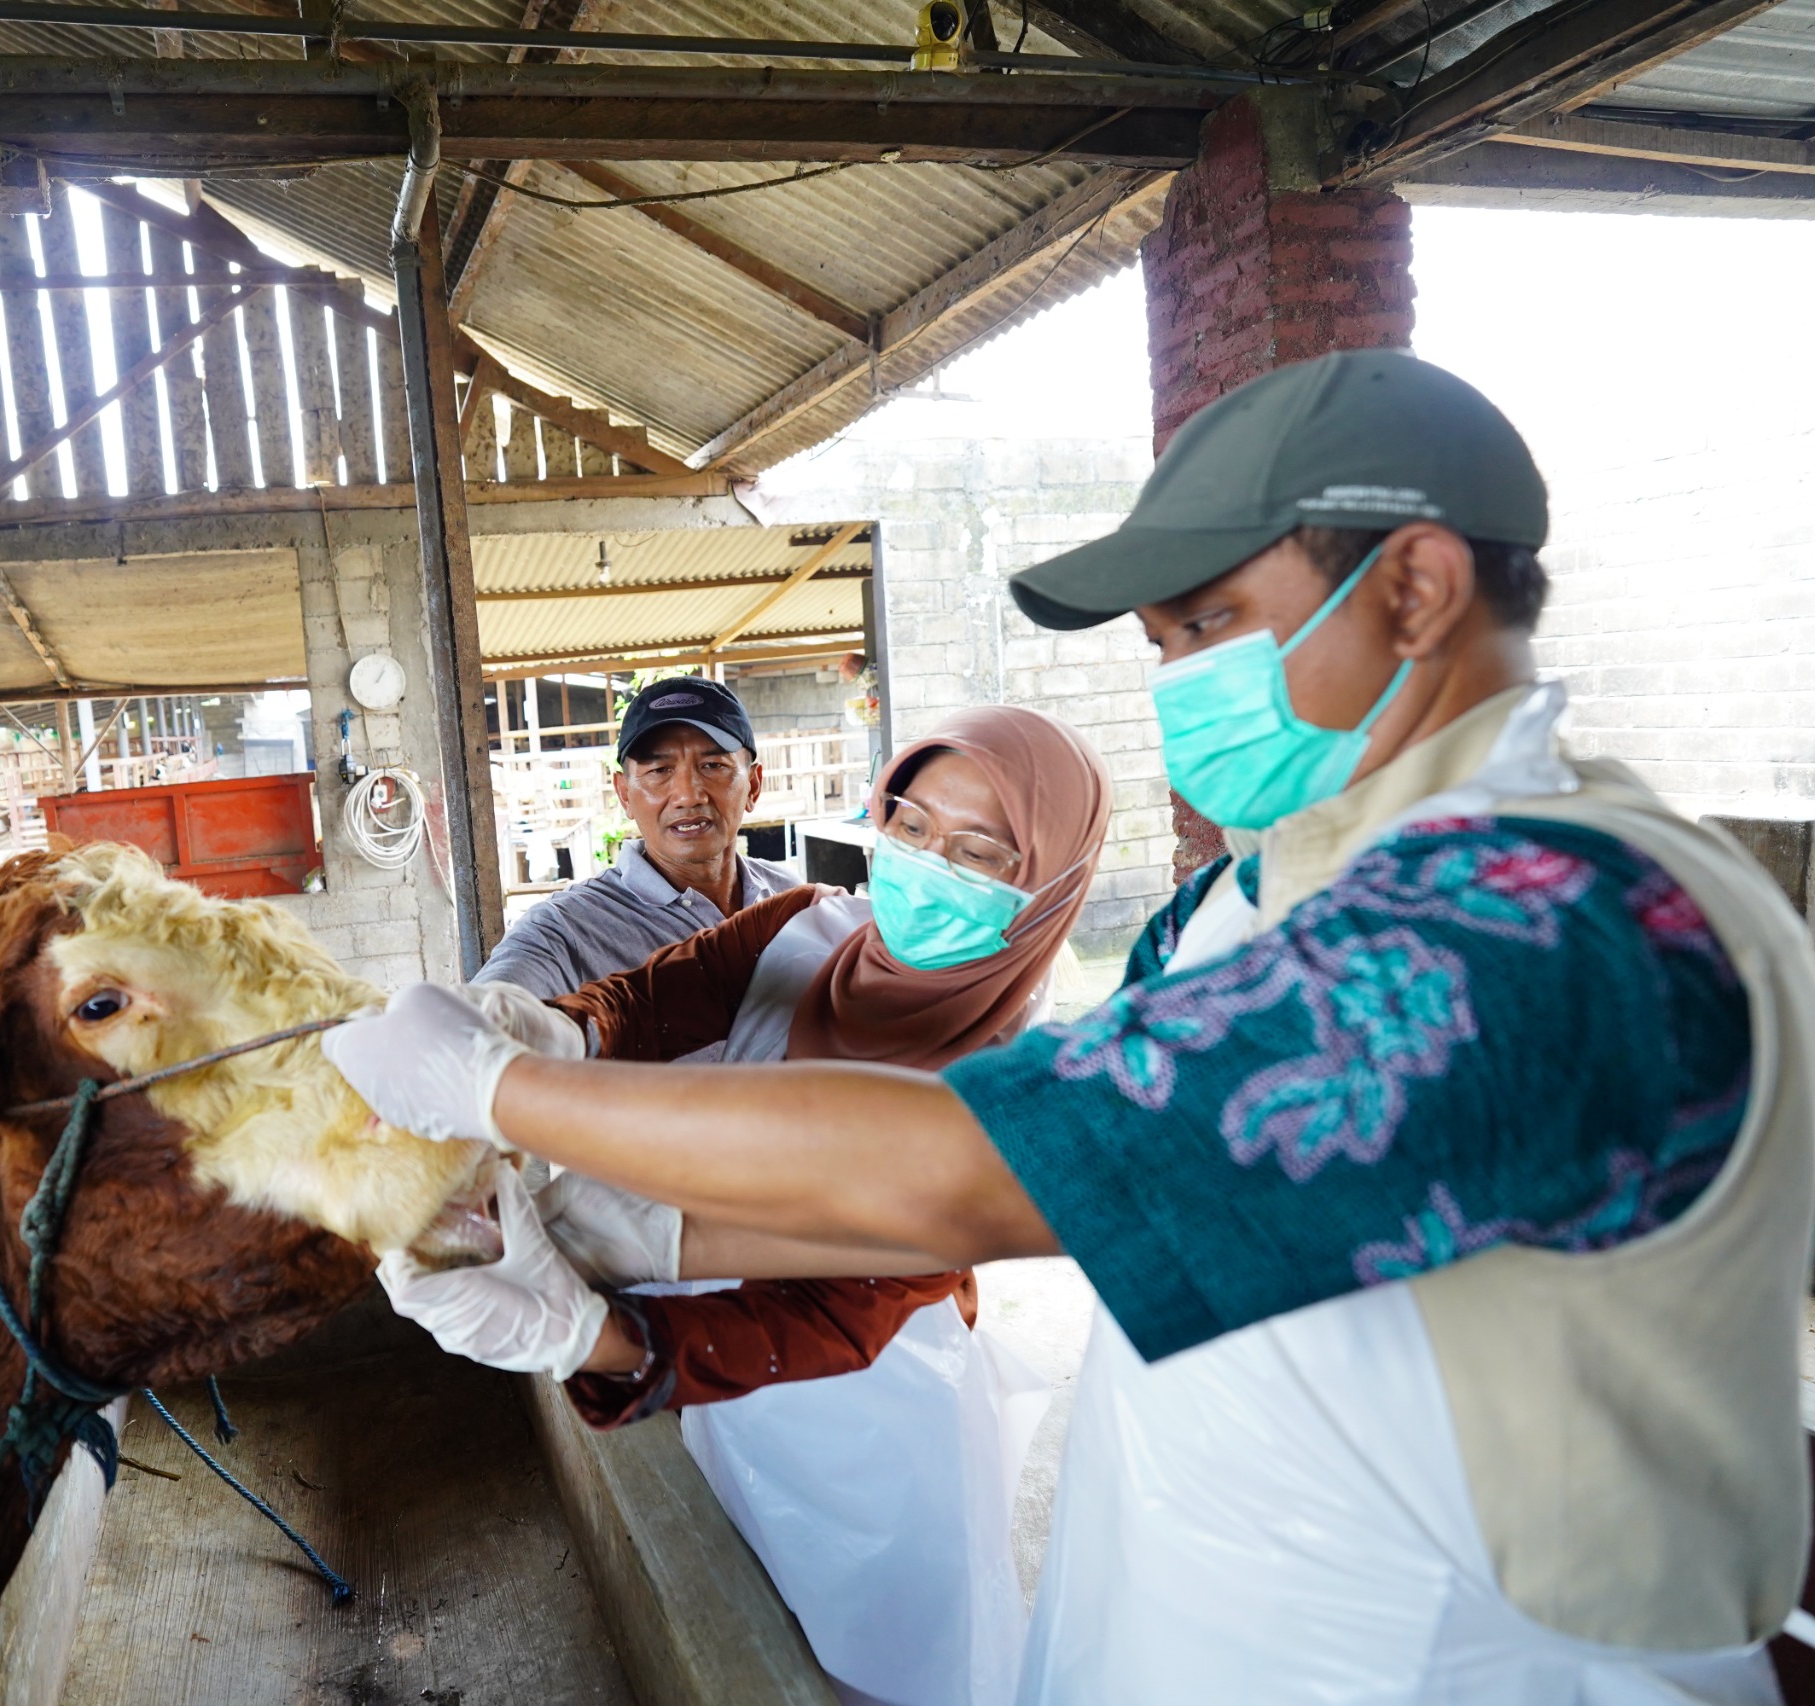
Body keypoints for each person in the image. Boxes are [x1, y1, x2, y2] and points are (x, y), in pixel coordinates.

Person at [329, 350, 1815, 1703]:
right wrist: (603, 1247)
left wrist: (507, 1091)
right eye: (1167, 642)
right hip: (1186, 1602)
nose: (1182, 682)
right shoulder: (1252, 902)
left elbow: (988, 1172)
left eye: (1214, 621)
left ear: (1418, 589)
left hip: (1453, 1658)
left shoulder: (1553, 917)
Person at [398, 707, 1107, 1706]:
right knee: (748, 1618)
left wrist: (595, 1333)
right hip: (730, 1378)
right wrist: (548, 1034)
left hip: (878, 1414)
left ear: (1049, 887)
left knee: (897, 1656)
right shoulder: (806, 923)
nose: (927, 864)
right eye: (910, 826)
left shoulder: (1013, 1091)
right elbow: (649, 998)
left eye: (978, 850)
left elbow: (833, 1313)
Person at [478, 676, 799, 997]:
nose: (688, 796)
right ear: (625, 795)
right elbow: (479, 1018)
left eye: (713, 765)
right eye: (659, 771)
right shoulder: (566, 930)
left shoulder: (789, 897)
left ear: (753, 786)